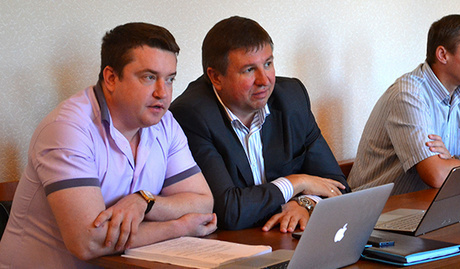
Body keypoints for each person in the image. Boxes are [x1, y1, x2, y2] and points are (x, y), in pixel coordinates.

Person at [0, 22, 217, 268]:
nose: (163, 93)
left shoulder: (164, 123)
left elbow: (202, 202)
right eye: (149, 77)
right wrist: (180, 226)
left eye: (169, 79)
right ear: (111, 78)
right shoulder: (67, 129)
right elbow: (89, 241)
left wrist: (144, 202)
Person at [170, 16, 350, 233]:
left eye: (268, 64)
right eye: (248, 70)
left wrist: (303, 204)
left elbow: (338, 186)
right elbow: (229, 211)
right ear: (216, 77)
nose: (264, 80)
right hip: (231, 248)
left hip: (281, 238)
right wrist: (296, 182)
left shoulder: (291, 98)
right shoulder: (192, 115)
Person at [348, 14, 460, 195]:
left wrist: (452, 160)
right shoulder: (408, 93)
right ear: (443, 54)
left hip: (427, 205)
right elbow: (436, 175)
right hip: (376, 211)